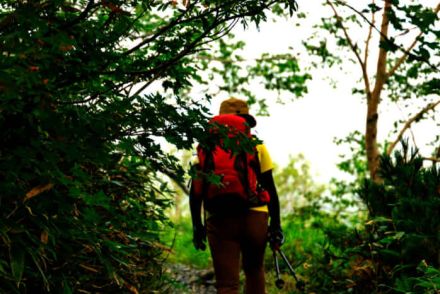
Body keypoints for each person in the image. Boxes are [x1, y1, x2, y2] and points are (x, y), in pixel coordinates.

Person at [189, 97, 283, 294]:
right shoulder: (257, 146)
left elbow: (196, 192)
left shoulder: (205, 148)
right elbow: (270, 189)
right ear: (246, 120)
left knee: (226, 284)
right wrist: (276, 226)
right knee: (254, 271)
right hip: (255, 217)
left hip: (220, 218)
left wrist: (197, 226)